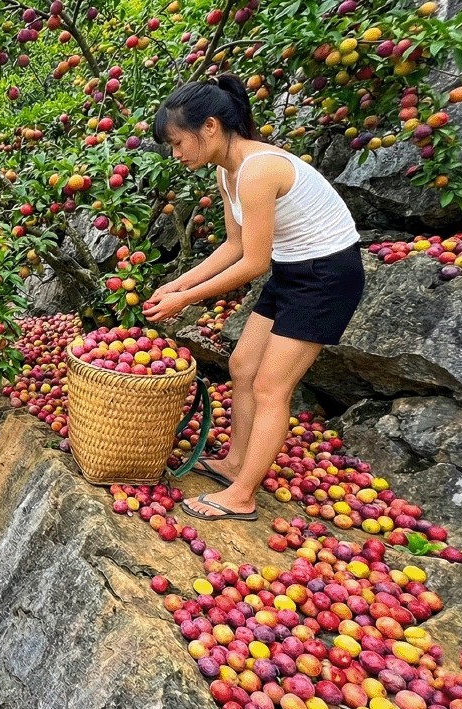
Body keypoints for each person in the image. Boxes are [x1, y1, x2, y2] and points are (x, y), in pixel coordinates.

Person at [142, 74, 365, 522]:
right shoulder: (228, 172)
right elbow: (234, 245)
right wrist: (177, 284)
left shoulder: (259, 170)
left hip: (325, 277)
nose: (176, 154)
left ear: (209, 126)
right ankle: (235, 462)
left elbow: (253, 263)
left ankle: (242, 496)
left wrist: (186, 300)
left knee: (271, 387)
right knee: (243, 366)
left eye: (178, 142)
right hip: (293, 268)